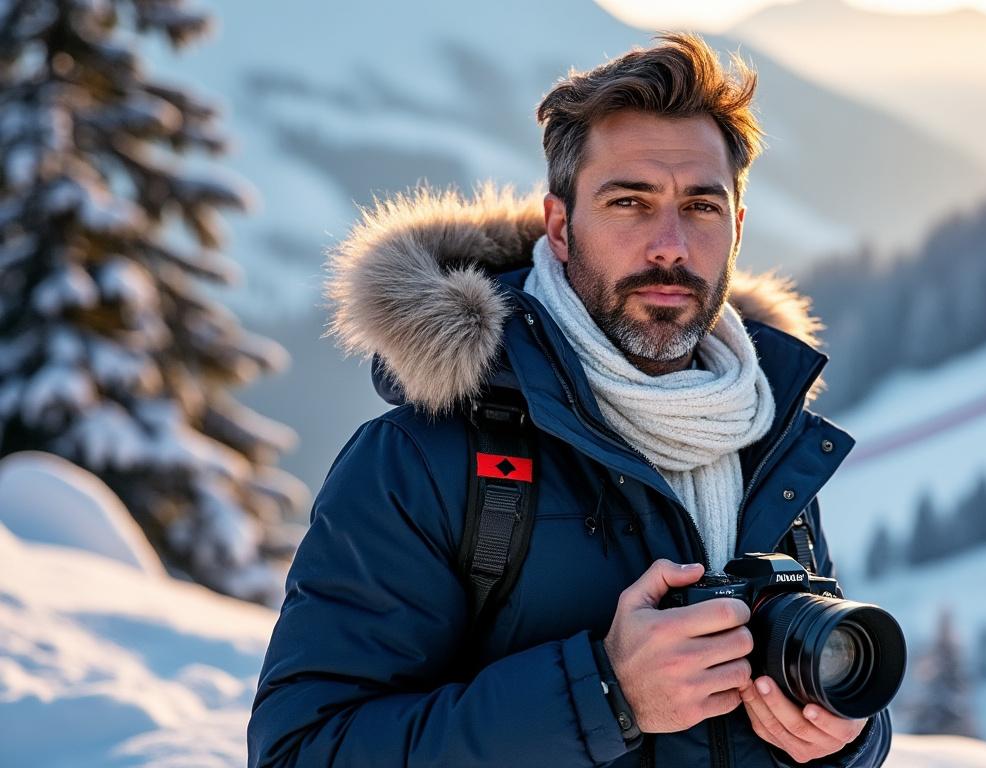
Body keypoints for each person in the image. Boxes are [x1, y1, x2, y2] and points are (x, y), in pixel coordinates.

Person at [247, 32, 892, 768]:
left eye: (702, 206)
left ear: (737, 227)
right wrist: (606, 695)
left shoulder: (762, 433)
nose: (671, 245)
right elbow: (301, 752)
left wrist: (846, 742)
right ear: (561, 227)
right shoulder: (424, 460)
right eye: (629, 203)